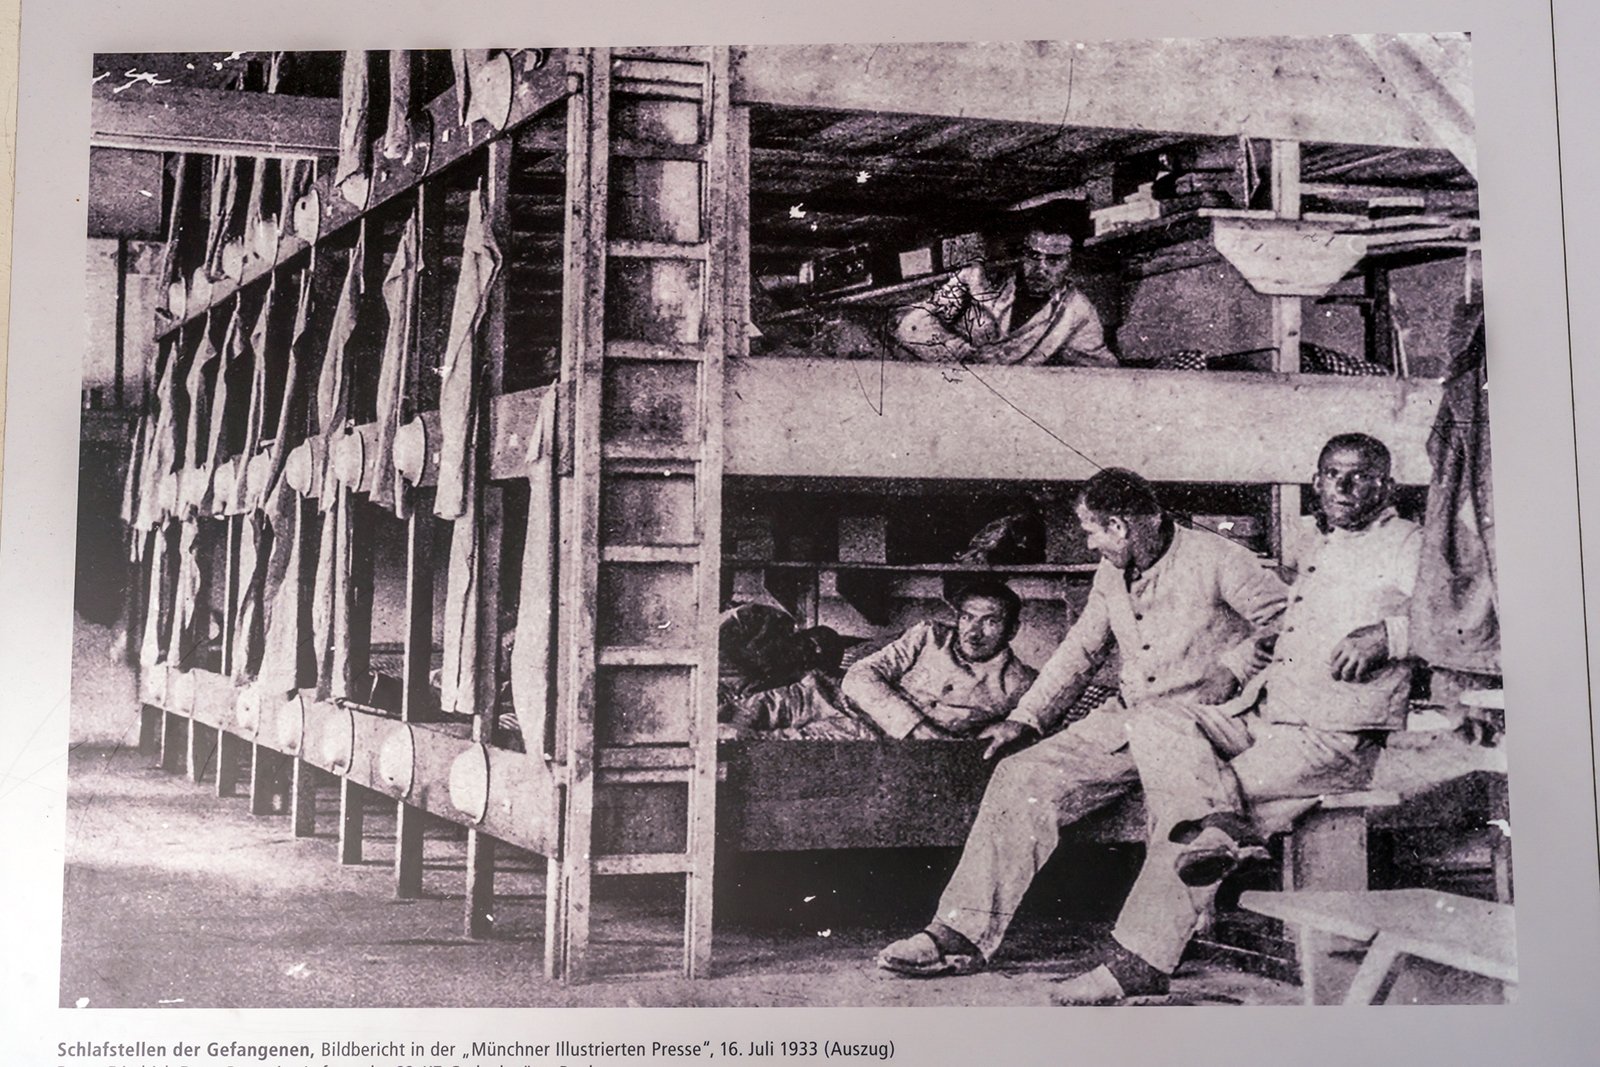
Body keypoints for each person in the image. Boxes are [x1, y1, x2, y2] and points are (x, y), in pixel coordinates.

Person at [1048, 433, 1424, 1004]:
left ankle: (1137, 964)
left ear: (1386, 484)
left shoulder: (1408, 543)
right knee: (1155, 722)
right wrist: (1236, 661)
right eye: (1331, 474)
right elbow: (1286, 631)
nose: (1343, 487)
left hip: (1334, 736)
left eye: (1360, 475)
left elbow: (1469, 624)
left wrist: (1389, 635)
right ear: (1316, 482)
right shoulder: (1315, 542)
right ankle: (1220, 825)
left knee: (1192, 817)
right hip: (1270, 717)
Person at [876, 468, 1287, 977]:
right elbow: (1080, 652)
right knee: (1020, 776)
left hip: (1204, 725)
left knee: (1180, 810)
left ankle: (1148, 955)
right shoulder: (1111, 574)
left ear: (1119, 525)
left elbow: (1292, 623)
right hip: (1132, 719)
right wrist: (1026, 719)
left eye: (1092, 531)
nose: (1091, 543)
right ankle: (958, 933)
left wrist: (1235, 665)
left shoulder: (1221, 559)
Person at [893, 208, 1116, 367]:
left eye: (1054, 260)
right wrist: (964, 354)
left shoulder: (1077, 310)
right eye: (1033, 256)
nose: (1040, 268)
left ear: (1071, 261)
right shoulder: (975, 279)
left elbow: (1098, 368)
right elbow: (912, 325)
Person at [842, 579, 1038, 739]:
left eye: (990, 622)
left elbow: (1041, 724)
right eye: (967, 618)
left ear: (1012, 630)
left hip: (932, 756)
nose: (973, 633)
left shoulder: (1022, 682)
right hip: (860, 724)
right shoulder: (928, 636)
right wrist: (916, 727)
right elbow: (858, 676)